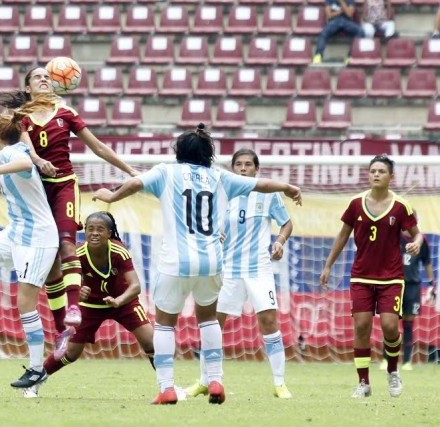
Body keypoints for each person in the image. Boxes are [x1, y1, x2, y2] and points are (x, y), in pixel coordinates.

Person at [93, 123, 302, 405]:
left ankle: (166, 387)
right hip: (212, 261)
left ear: (179, 151)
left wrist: (112, 196)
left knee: (166, 325)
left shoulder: (166, 171)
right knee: (208, 319)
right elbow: (261, 185)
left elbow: (134, 183)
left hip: (176, 261)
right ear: (209, 154)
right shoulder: (219, 176)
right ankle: (215, 381)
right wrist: (288, 187)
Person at [0, 67, 139, 340]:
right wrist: (39, 162)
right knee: (50, 261)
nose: (43, 79)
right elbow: (27, 148)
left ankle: (73, 307)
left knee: (66, 243)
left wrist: (130, 171)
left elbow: (98, 147)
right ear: (27, 88)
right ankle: (61, 328)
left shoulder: (67, 114)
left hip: (63, 186)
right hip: (37, 192)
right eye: (37, 77)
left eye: (47, 77)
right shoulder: (21, 117)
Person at [0, 96, 61, 390]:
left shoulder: (13, 154)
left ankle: (35, 369)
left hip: (38, 238)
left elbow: (23, 164)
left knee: (25, 303)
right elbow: (18, 177)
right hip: (17, 231)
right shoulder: (12, 154)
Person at [185, 149, 294, 400]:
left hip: (259, 269)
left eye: (248, 165)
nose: (243, 168)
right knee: (214, 325)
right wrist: (213, 234)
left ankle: (279, 384)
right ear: (233, 169)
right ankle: (205, 381)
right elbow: (205, 224)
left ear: (257, 169)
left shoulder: (269, 195)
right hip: (227, 270)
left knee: (269, 323)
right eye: (239, 165)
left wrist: (280, 240)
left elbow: (286, 223)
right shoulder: (221, 194)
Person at [320, 154, 423, 399]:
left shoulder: (401, 206)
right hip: (361, 277)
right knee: (362, 325)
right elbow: (343, 235)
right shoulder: (356, 203)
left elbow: (417, 234)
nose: (376, 174)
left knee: (389, 326)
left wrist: (416, 243)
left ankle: (393, 371)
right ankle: (363, 383)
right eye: (373, 170)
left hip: (391, 277)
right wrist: (328, 266)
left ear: (391, 176)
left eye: (381, 171)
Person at [26, 211, 155, 398]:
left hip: (123, 303)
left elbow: (135, 286)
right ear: (84, 232)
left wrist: (119, 301)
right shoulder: (77, 253)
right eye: (90, 229)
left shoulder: (118, 251)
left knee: (151, 342)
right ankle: (34, 382)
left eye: (100, 229)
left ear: (109, 233)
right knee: (70, 353)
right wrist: (79, 291)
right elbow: (62, 284)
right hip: (90, 307)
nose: (94, 233)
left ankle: (168, 387)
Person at [379, 218, 435, 371]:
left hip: (413, 286)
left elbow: (427, 262)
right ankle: (386, 359)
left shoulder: (421, 241)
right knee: (390, 323)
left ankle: (406, 361)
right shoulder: (394, 236)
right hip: (394, 284)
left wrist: (432, 285)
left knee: (409, 323)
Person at [312, 0, 365, 64]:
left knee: (360, 31)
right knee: (324, 33)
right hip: (334, 22)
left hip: (346, 22)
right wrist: (340, 11)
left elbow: (349, 14)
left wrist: (342, 2)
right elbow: (329, 15)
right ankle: (318, 55)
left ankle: (351, 56)